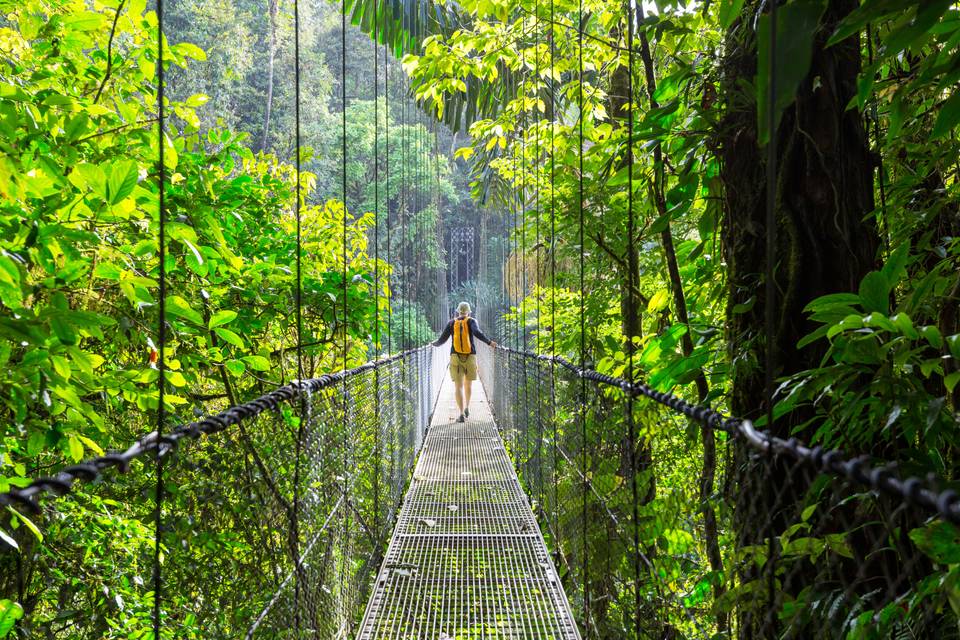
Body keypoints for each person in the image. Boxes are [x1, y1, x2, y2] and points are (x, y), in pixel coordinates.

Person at [433, 302, 497, 422]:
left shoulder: (452, 323)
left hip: (455, 356)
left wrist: (433, 344)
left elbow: (442, 340)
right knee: (468, 384)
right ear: (468, 312)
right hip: (470, 356)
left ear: (458, 311)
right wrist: (489, 342)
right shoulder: (472, 321)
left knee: (458, 386)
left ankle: (461, 414)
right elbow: (477, 333)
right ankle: (467, 406)